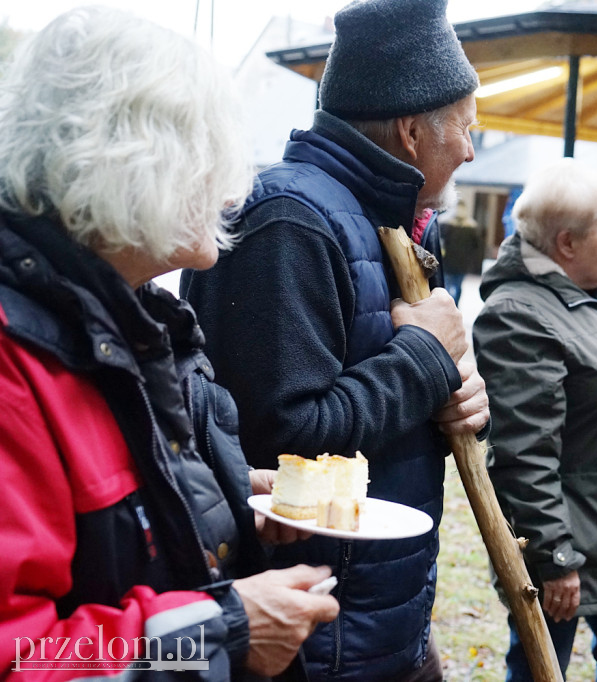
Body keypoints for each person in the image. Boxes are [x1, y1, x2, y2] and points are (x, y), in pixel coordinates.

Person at [0, 7, 339, 680]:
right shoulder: (18, 361)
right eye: (209, 159)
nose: (230, 190)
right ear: (130, 163)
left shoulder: (129, 320)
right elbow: (21, 655)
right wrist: (226, 634)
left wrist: (223, 498)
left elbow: (115, 513)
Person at [180, 0, 490, 679]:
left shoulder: (401, 226)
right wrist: (425, 360)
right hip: (312, 635)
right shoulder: (289, 224)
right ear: (411, 130)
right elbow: (274, 444)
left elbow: (396, 396)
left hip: (385, 614)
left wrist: (459, 400)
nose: (471, 148)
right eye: (466, 128)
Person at [473, 158, 597, 681]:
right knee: (540, 671)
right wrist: (555, 558)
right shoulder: (518, 316)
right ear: (566, 243)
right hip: (570, 555)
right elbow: (522, 453)